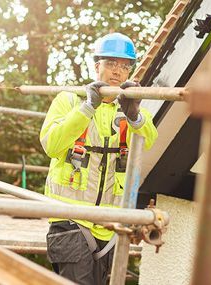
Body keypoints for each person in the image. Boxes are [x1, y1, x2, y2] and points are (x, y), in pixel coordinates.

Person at [40, 32, 158, 285]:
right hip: (70, 219)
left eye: (124, 66)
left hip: (112, 224)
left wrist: (135, 116)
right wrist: (87, 108)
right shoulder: (69, 99)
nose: (117, 71)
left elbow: (150, 141)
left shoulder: (130, 107)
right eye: (111, 63)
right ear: (97, 66)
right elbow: (52, 145)